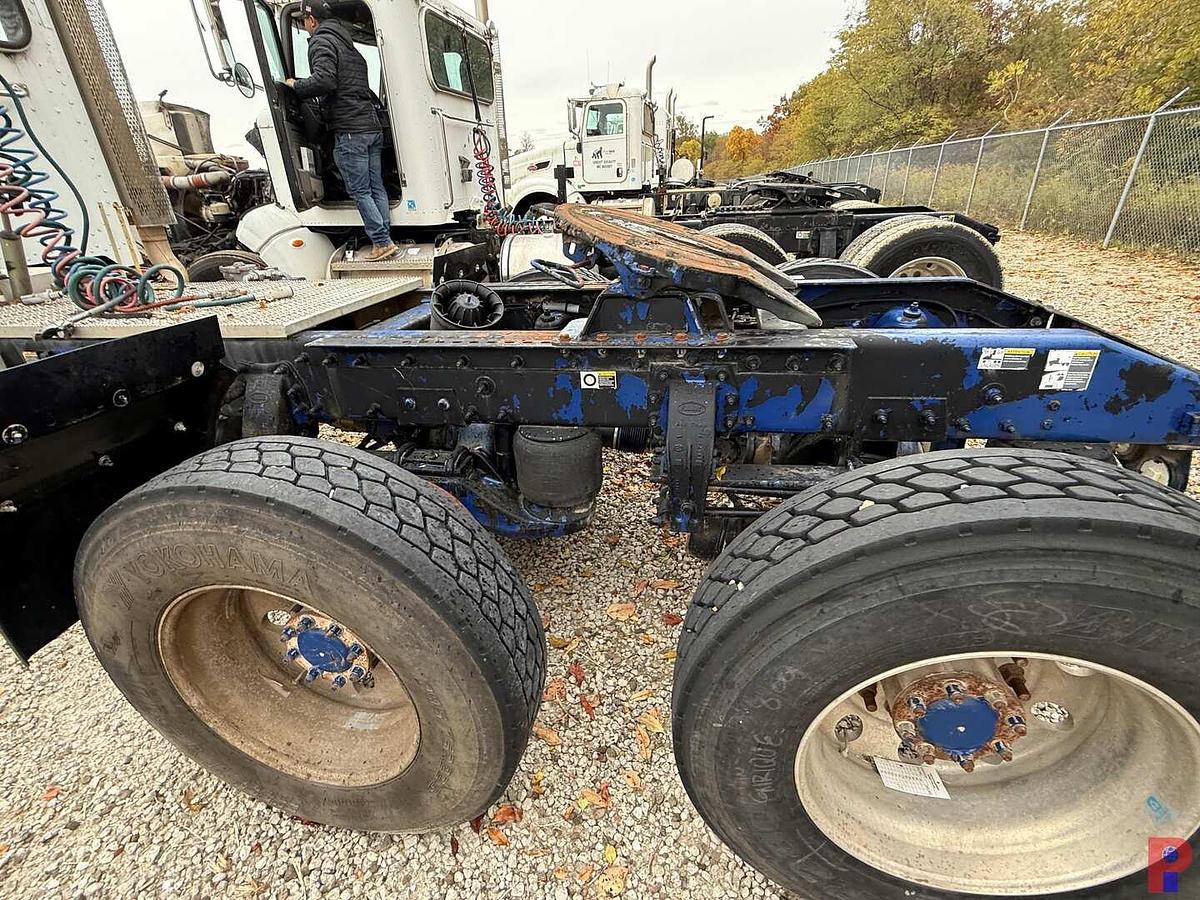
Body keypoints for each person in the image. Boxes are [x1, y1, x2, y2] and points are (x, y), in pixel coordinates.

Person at [286, 0, 397, 262]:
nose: (304, 26)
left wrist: (296, 85)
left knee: (360, 190)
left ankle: (381, 242)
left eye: (304, 21)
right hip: (370, 126)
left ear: (312, 20)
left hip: (349, 129)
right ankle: (385, 237)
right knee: (375, 186)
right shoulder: (351, 48)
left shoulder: (321, 42)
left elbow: (324, 80)